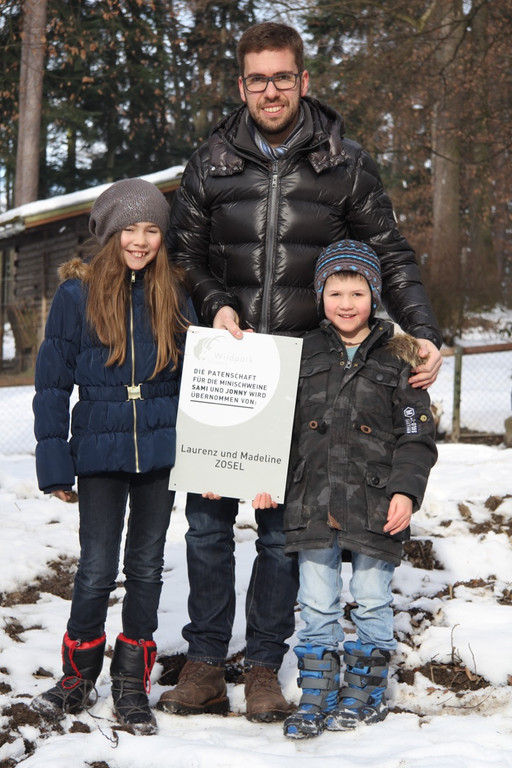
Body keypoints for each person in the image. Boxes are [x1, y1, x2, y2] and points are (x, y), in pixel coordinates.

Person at [157, 21, 442, 723]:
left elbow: (390, 253)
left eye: (282, 77)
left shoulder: (344, 164)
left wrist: (424, 331)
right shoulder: (210, 162)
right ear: (241, 85)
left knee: (282, 532)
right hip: (228, 367)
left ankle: (263, 666)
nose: (271, 90)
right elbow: (182, 254)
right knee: (207, 525)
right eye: (258, 79)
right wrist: (216, 303)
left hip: (306, 371)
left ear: (303, 80)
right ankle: (203, 661)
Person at [254, 239, 438, 738]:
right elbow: (278, 426)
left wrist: (405, 492)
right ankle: (318, 692)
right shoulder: (301, 353)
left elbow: (416, 435)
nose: (347, 303)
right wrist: (265, 477)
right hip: (311, 501)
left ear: (374, 295)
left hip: (375, 502)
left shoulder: (402, 356)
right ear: (320, 296)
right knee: (317, 600)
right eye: (335, 292)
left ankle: (366, 690)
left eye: (358, 292)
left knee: (372, 596)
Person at [31, 178, 195, 735]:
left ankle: (130, 681)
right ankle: (77, 676)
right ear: (109, 233)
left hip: (160, 450)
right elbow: (52, 384)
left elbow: (200, 376)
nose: (140, 240)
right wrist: (55, 462)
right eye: (130, 229)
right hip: (98, 449)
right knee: (97, 567)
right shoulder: (75, 296)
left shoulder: (174, 292)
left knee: (146, 566)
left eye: (151, 229)